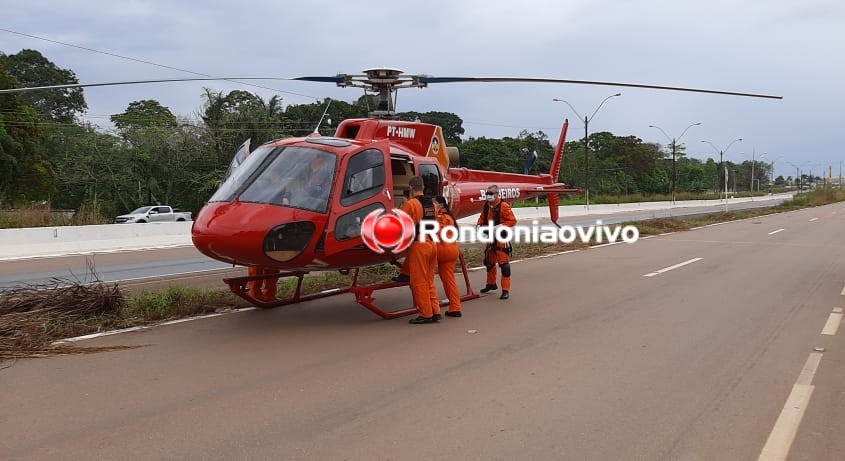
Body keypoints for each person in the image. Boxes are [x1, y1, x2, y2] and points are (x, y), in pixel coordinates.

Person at [402, 175, 441, 324]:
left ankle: (426, 314)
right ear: (423, 188)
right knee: (429, 281)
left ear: (411, 189)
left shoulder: (411, 204)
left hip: (419, 246)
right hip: (432, 244)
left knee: (418, 282)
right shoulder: (432, 204)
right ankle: (435, 311)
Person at [477, 184, 517, 299]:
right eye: (487, 193)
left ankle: (505, 290)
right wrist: (479, 226)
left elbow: (513, 221)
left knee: (504, 265)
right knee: (489, 262)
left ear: (497, 194)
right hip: (490, 238)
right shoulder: (487, 206)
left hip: (501, 239)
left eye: (490, 193)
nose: (488, 196)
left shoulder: (504, 206)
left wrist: (500, 226)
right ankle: (491, 284)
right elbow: (482, 217)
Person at [433, 195, 462, 317]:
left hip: (443, 251)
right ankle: (455, 306)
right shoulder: (450, 217)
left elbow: (438, 233)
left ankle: (432, 308)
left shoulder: (441, 217)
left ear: (440, 204)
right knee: (449, 280)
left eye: (434, 203)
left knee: (429, 279)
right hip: (452, 250)